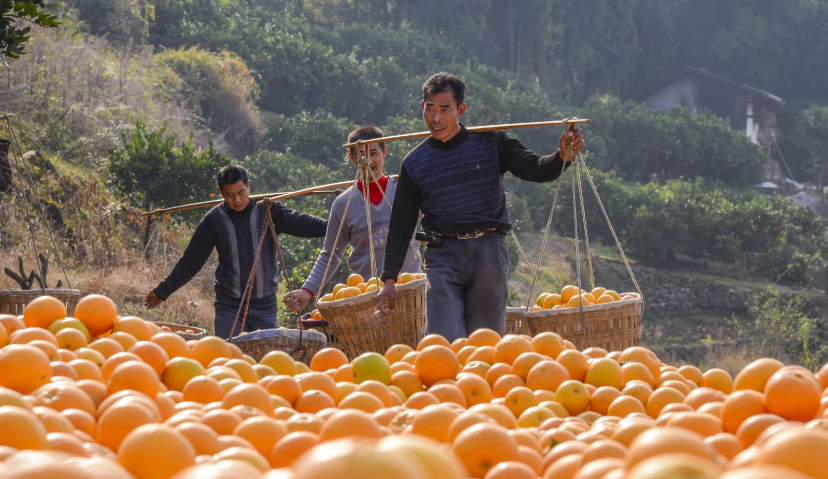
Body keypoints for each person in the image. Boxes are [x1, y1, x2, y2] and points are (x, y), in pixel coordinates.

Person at [377, 72, 584, 342]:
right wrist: (389, 278)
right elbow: (401, 223)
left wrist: (562, 156)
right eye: (429, 109)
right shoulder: (415, 162)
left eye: (444, 109)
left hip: (489, 254)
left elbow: (535, 168)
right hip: (443, 255)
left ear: (461, 110)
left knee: (484, 343)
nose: (435, 118)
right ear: (422, 107)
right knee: (444, 342)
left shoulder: (492, 142)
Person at [144, 164, 327, 338]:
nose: (237, 200)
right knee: (232, 356)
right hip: (230, 308)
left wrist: (335, 226)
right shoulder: (214, 219)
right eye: (230, 195)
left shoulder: (268, 210)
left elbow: (302, 224)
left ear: (249, 186)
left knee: (267, 357)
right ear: (221, 192)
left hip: (265, 307)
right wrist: (163, 291)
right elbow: (192, 260)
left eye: (241, 193)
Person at [282, 126, 421, 313]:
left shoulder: (405, 192)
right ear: (352, 156)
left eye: (373, 153)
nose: (368, 161)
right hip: (366, 298)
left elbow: (437, 218)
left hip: (411, 293)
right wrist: (307, 291)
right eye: (361, 155)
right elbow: (330, 255)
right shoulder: (343, 204)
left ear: (385, 152)